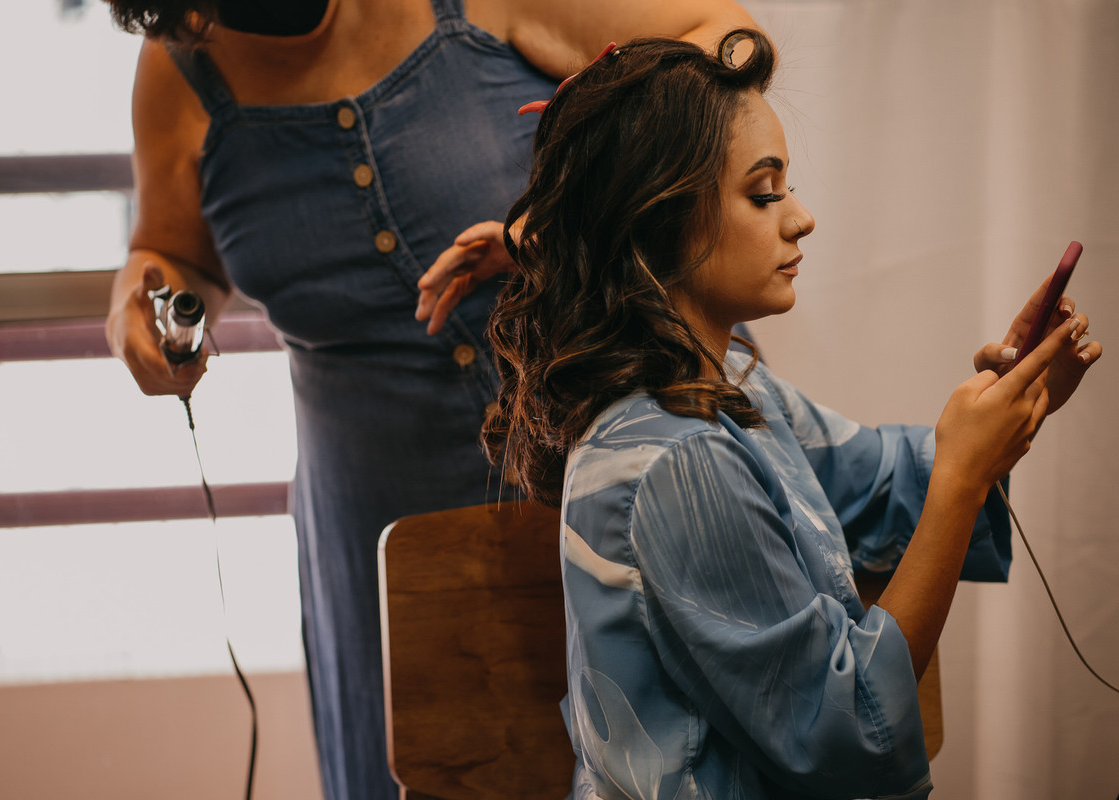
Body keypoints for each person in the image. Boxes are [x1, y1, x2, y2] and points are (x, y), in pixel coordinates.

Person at [100, 1, 763, 798]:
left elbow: (729, 42)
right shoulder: (181, 57)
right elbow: (172, 247)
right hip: (378, 530)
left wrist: (576, 207)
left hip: (616, 478)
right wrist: (142, 308)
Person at [483, 30, 1102, 799]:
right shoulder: (675, 462)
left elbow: (885, 483)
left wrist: (1012, 405)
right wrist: (962, 478)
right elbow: (847, 728)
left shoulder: (736, 397)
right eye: (765, 193)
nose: (801, 219)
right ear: (658, 217)